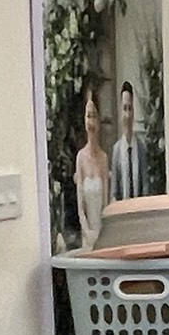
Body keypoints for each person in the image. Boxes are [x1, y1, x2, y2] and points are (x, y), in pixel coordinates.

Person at [73, 85, 110, 247]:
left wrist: (102, 232)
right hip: (87, 235)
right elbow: (80, 206)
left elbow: (105, 204)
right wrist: (87, 232)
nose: (91, 122)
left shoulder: (104, 158)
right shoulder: (80, 158)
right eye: (88, 116)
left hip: (102, 233)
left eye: (94, 116)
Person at [111, 78, 149, 200]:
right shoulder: (117, 150)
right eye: (125, 108)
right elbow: (114, 190)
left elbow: (145, 186)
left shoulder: (141, 147)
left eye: (130, 108)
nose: (127, 115)